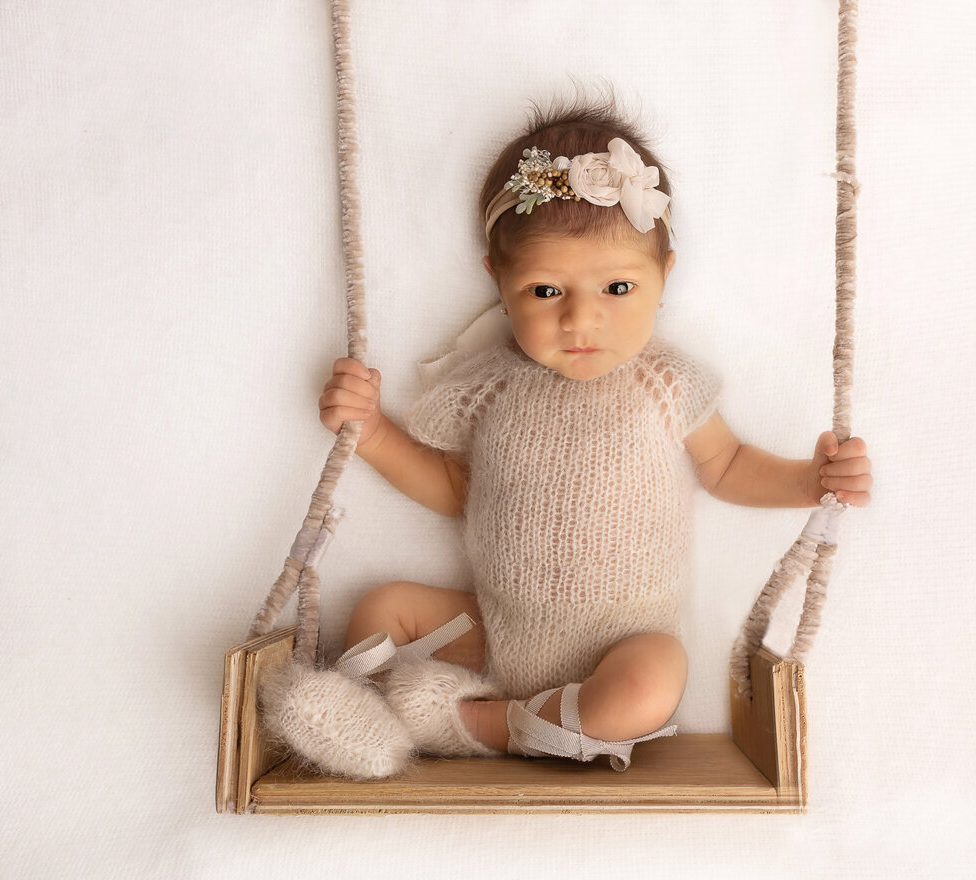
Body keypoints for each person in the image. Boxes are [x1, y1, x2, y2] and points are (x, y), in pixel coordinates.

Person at [263, 88, 873, 779]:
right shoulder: (490, 388)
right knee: (383, 608)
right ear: (500, 283)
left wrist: (809, 480)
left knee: (656, 679)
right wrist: (371, 431)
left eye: (617, 289)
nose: (582, 323)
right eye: (547, 292)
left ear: (663, 276)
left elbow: (727, 466)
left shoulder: (665, 384)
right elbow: (452, 487)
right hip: (495, 634)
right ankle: (365, 718)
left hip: (621, 646)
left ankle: (479, 724)